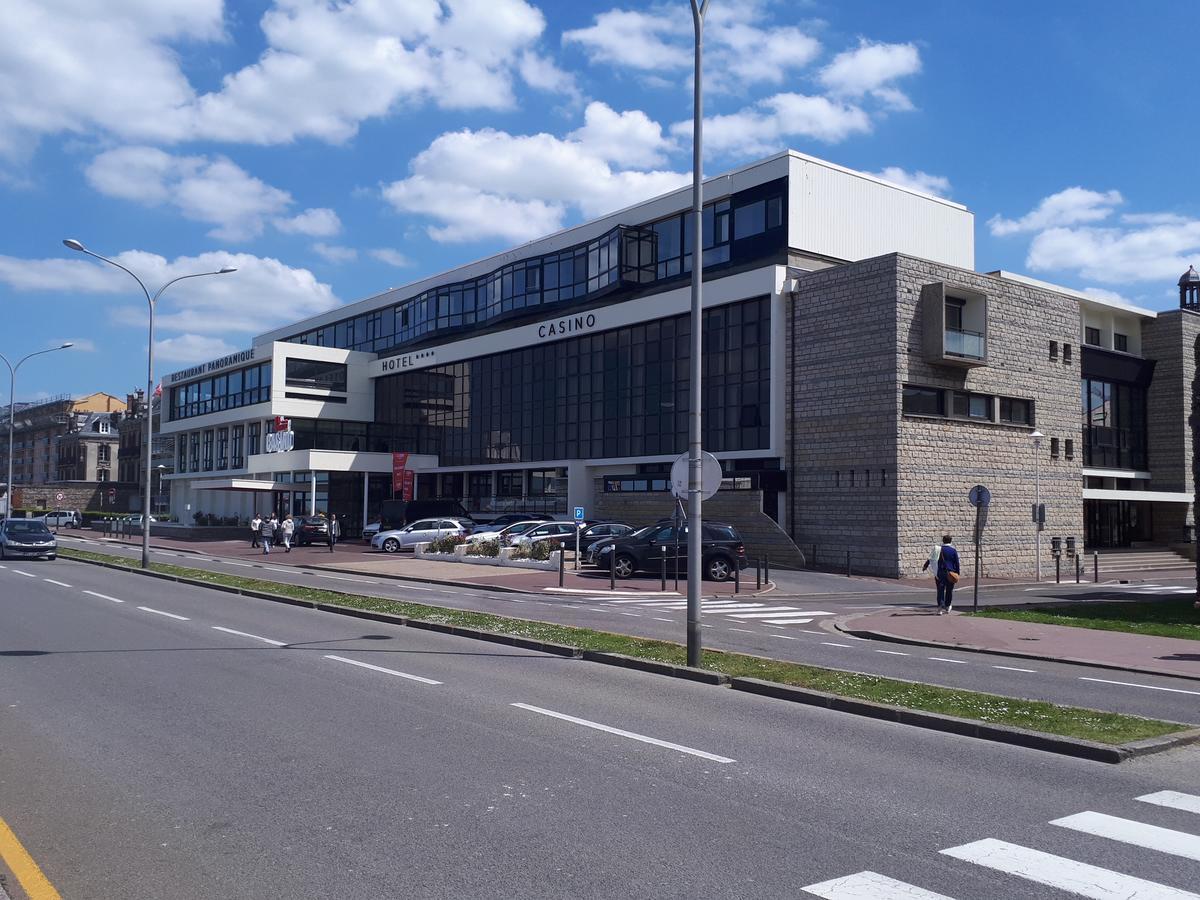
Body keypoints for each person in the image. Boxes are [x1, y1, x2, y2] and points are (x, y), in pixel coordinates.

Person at [922, 534, 961, 614]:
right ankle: (948, 605)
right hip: (951, 573)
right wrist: (957, 573)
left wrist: (925, 566)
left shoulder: (938, 549)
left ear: (943, 541)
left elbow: (931, 558)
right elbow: (957, 563)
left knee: (940, 590)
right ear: (951, 541)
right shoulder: (953, 550)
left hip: (940, 573)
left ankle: (940, 607)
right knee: (949, 590)